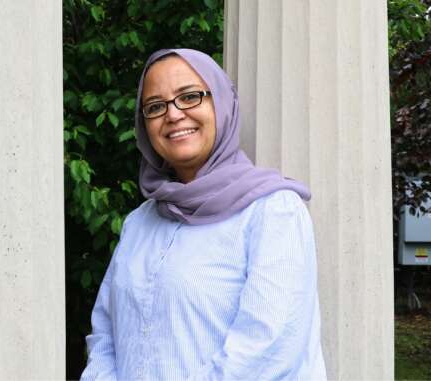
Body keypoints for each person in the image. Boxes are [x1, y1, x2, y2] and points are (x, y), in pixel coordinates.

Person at [80, 48, 327, 381]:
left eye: (190, 97)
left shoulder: (273, 211)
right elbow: (106, 336)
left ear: (221, 103)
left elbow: (267, 349)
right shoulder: (139, 222)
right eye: (155, 106)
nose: (174, 115)